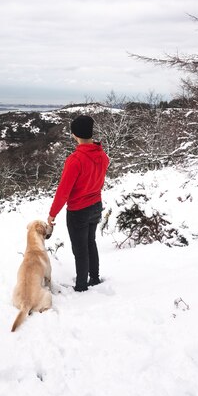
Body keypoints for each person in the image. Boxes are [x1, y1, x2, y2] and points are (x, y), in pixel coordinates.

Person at [47, 115, 109, 292]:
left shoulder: (75, 160)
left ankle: (81, 286)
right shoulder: (102, 155)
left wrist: (52, 214)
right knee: (91, 242)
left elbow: (63, 192)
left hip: (78, 210)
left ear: (74, 134)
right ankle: (94, 278)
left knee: (80, 249)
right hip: (96, 205)